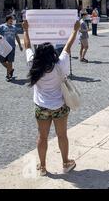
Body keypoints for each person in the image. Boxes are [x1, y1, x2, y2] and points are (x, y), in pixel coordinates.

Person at [22, 19, 80, 176]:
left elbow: (27, 46)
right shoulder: (60, 64)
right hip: (59, 106)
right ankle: (66, 163)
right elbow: (68, 46)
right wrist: (75, 30)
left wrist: (26, 30)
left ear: (39, 54)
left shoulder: (33, 65)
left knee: (42, 136)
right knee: (62, 135)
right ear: (53, 53)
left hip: (41, 107)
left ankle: (42, 167)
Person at [0, 15, 23, 81]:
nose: (12, 21)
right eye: (11, 20)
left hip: (12, 47)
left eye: (12, 20)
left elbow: (17, 36)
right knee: (2, 61)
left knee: (10, 62)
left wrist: (20, 45)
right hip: (3, 47)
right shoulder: (2, 27)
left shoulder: (14, 27)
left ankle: (8, 76)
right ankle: (11, 69)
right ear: (7, 20)